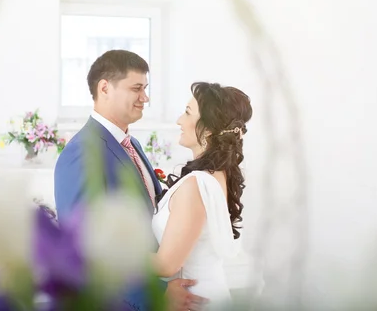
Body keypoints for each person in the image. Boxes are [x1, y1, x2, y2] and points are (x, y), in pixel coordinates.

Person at [54, 50, 206, 311]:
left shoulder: (131, 143)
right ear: (105, 88)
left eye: (145, 88)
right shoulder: (81, 153)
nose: (144, 98)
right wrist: (155, 295)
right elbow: (84, 247)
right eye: (136, 88)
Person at [151, 82, 253, 307]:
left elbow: (166, 265)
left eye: (187, 112)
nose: (179, 120)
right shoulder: (218, 175)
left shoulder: (197, 184)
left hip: (194, 301)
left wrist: (112, 254)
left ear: (208, 129)